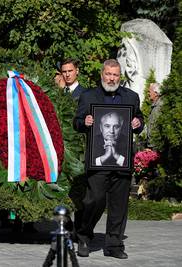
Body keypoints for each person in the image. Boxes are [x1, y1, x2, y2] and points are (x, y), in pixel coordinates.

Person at [73, 59, 144, 259]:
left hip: (122, 161)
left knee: (119, 204)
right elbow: (76, 123)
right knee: (94, 200)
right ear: (102, 74)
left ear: (119, 77)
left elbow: (139, 120)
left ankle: (114, 244)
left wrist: (138, 123)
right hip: (97, 160)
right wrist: (84, 122)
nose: (111, 78)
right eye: (108, 74)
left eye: (115, 75)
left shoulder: (131, 97)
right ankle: (84, 236)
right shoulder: (88, 96)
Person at [146, 83, 163, 150]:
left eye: (149, 91)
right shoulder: (154, 106)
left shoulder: (160, 106)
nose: (148, 94)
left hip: (157, 146)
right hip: (153, 145)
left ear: (156, 93)